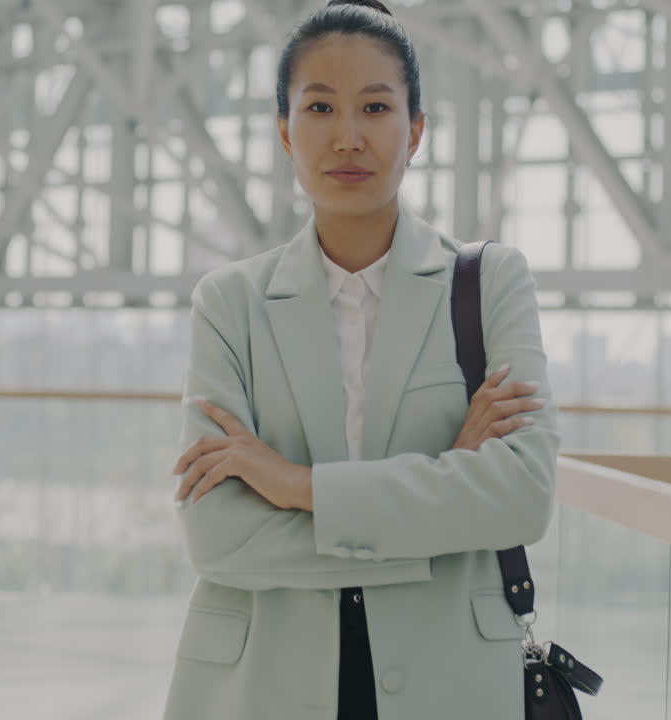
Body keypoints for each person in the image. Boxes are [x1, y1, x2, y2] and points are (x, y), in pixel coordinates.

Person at [162, 1, 560, 718]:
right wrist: (437, 514)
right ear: (285, 132)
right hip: (262, 686)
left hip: (450, 682)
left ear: (416, 131)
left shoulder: (491, 282)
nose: (348, 137)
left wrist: (295, 485)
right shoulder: (229, 304)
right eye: (320, 108)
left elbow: (521, 494)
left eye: (375, 107)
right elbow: (218, 538)